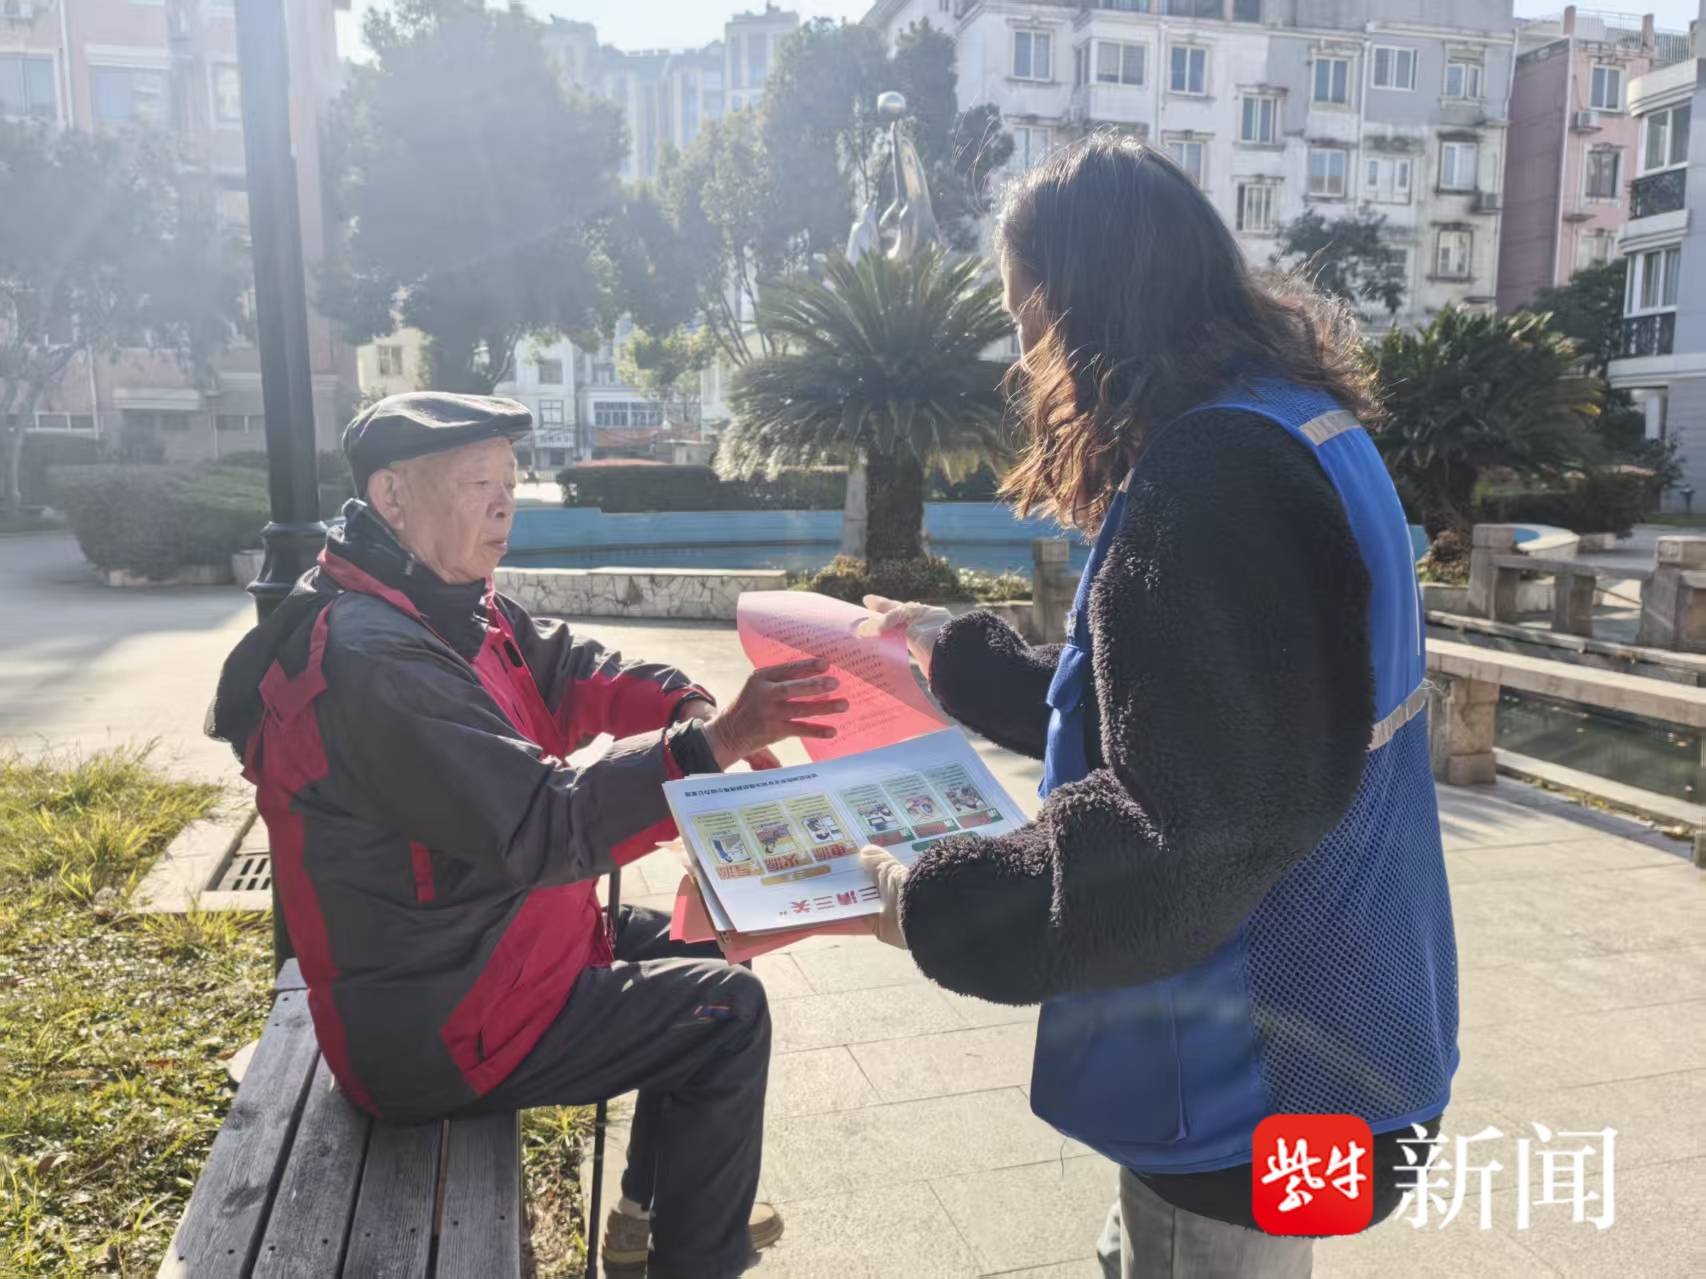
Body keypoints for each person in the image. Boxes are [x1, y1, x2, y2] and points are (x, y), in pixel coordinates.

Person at [860, 136, 1458, 1276]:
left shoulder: (1214, 475)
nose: (1025, 358)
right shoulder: (1294, 426)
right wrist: (955, 654)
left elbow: (1187, 830)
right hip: (1358, 1048)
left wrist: (932, 903)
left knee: (1185, 1251)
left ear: (1082, 310)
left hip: (1256, 1093)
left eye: (1025, 319)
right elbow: (1188, 708)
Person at [209, 392, 848, 1279]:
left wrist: (686, 705)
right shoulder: (373, 657)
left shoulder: (435, 601)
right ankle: (698, 1258)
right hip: (435, 1023)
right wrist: (713, 745)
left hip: (478, 945)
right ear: (392, 495)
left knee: (709, 940)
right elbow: (547, 823)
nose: (505, 502)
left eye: (511, 480)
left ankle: (649, 1217)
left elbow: (572, 669)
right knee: (727, 1015)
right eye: (479, 482)